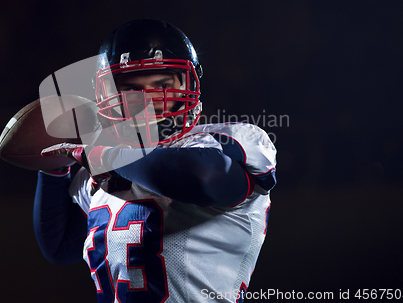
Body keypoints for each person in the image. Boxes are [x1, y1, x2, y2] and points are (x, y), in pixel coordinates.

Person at [33, 19, 277, 303]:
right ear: (107, 96)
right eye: (131, 88)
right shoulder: (104, 167)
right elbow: (60, 246)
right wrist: (53, 168)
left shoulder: (225, 142)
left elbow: (201, 178)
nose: (149, 99)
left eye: (162, 84)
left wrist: (102, 155)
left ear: (189, 82)